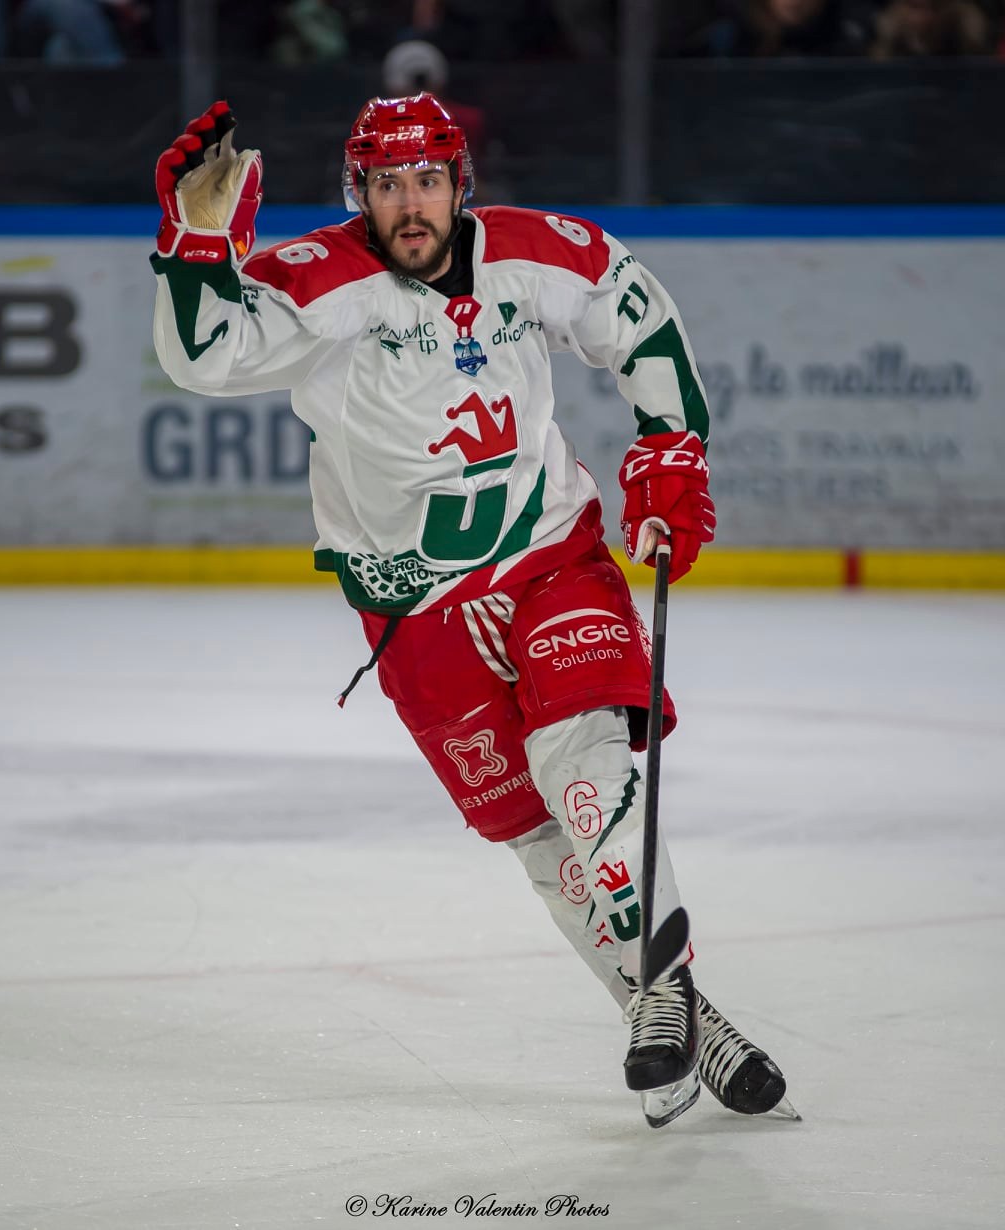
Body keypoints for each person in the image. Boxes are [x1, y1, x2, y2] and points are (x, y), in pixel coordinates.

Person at [146, 94, 796, 1129]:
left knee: (582, 765)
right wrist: (193, 244)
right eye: (389, 184)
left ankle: (661, 995)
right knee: (541, 841)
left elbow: (634, 309)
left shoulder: (531, 253)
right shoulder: (325, 283)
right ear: (359, 191)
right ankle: (677, 1008)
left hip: (548, 561)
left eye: (429, 180)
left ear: (462, 182)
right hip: (417, 618)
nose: (412, 204)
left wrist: (670, 443)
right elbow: (203, 354)